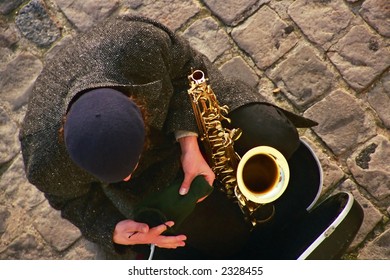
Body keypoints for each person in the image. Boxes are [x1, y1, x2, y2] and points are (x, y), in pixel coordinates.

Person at [19, 15, 318, 260]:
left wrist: (188, 141)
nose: (124, 178)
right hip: (152, 176)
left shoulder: (137, 44)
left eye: (129, 164)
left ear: (140, 109)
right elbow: (69, 201)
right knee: (224, 238)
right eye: (116, 176)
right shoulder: (44, 159)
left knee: (277, 135)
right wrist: (111, 229)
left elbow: (187, 67)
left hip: (185, 107)